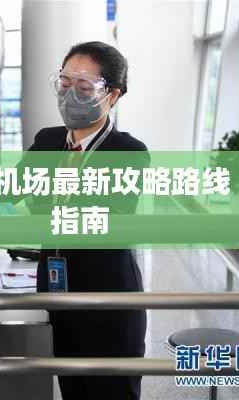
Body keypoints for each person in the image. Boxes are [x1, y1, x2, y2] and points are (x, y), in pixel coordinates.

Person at [24, 41, 149, 399]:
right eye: (64, 83)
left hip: (107, 298)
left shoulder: (129, 152)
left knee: (113, 391)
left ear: (113, 95)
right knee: (72, 387)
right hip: (58, 294)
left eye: (83, 87)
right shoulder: (48, 141)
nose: (69, 95)